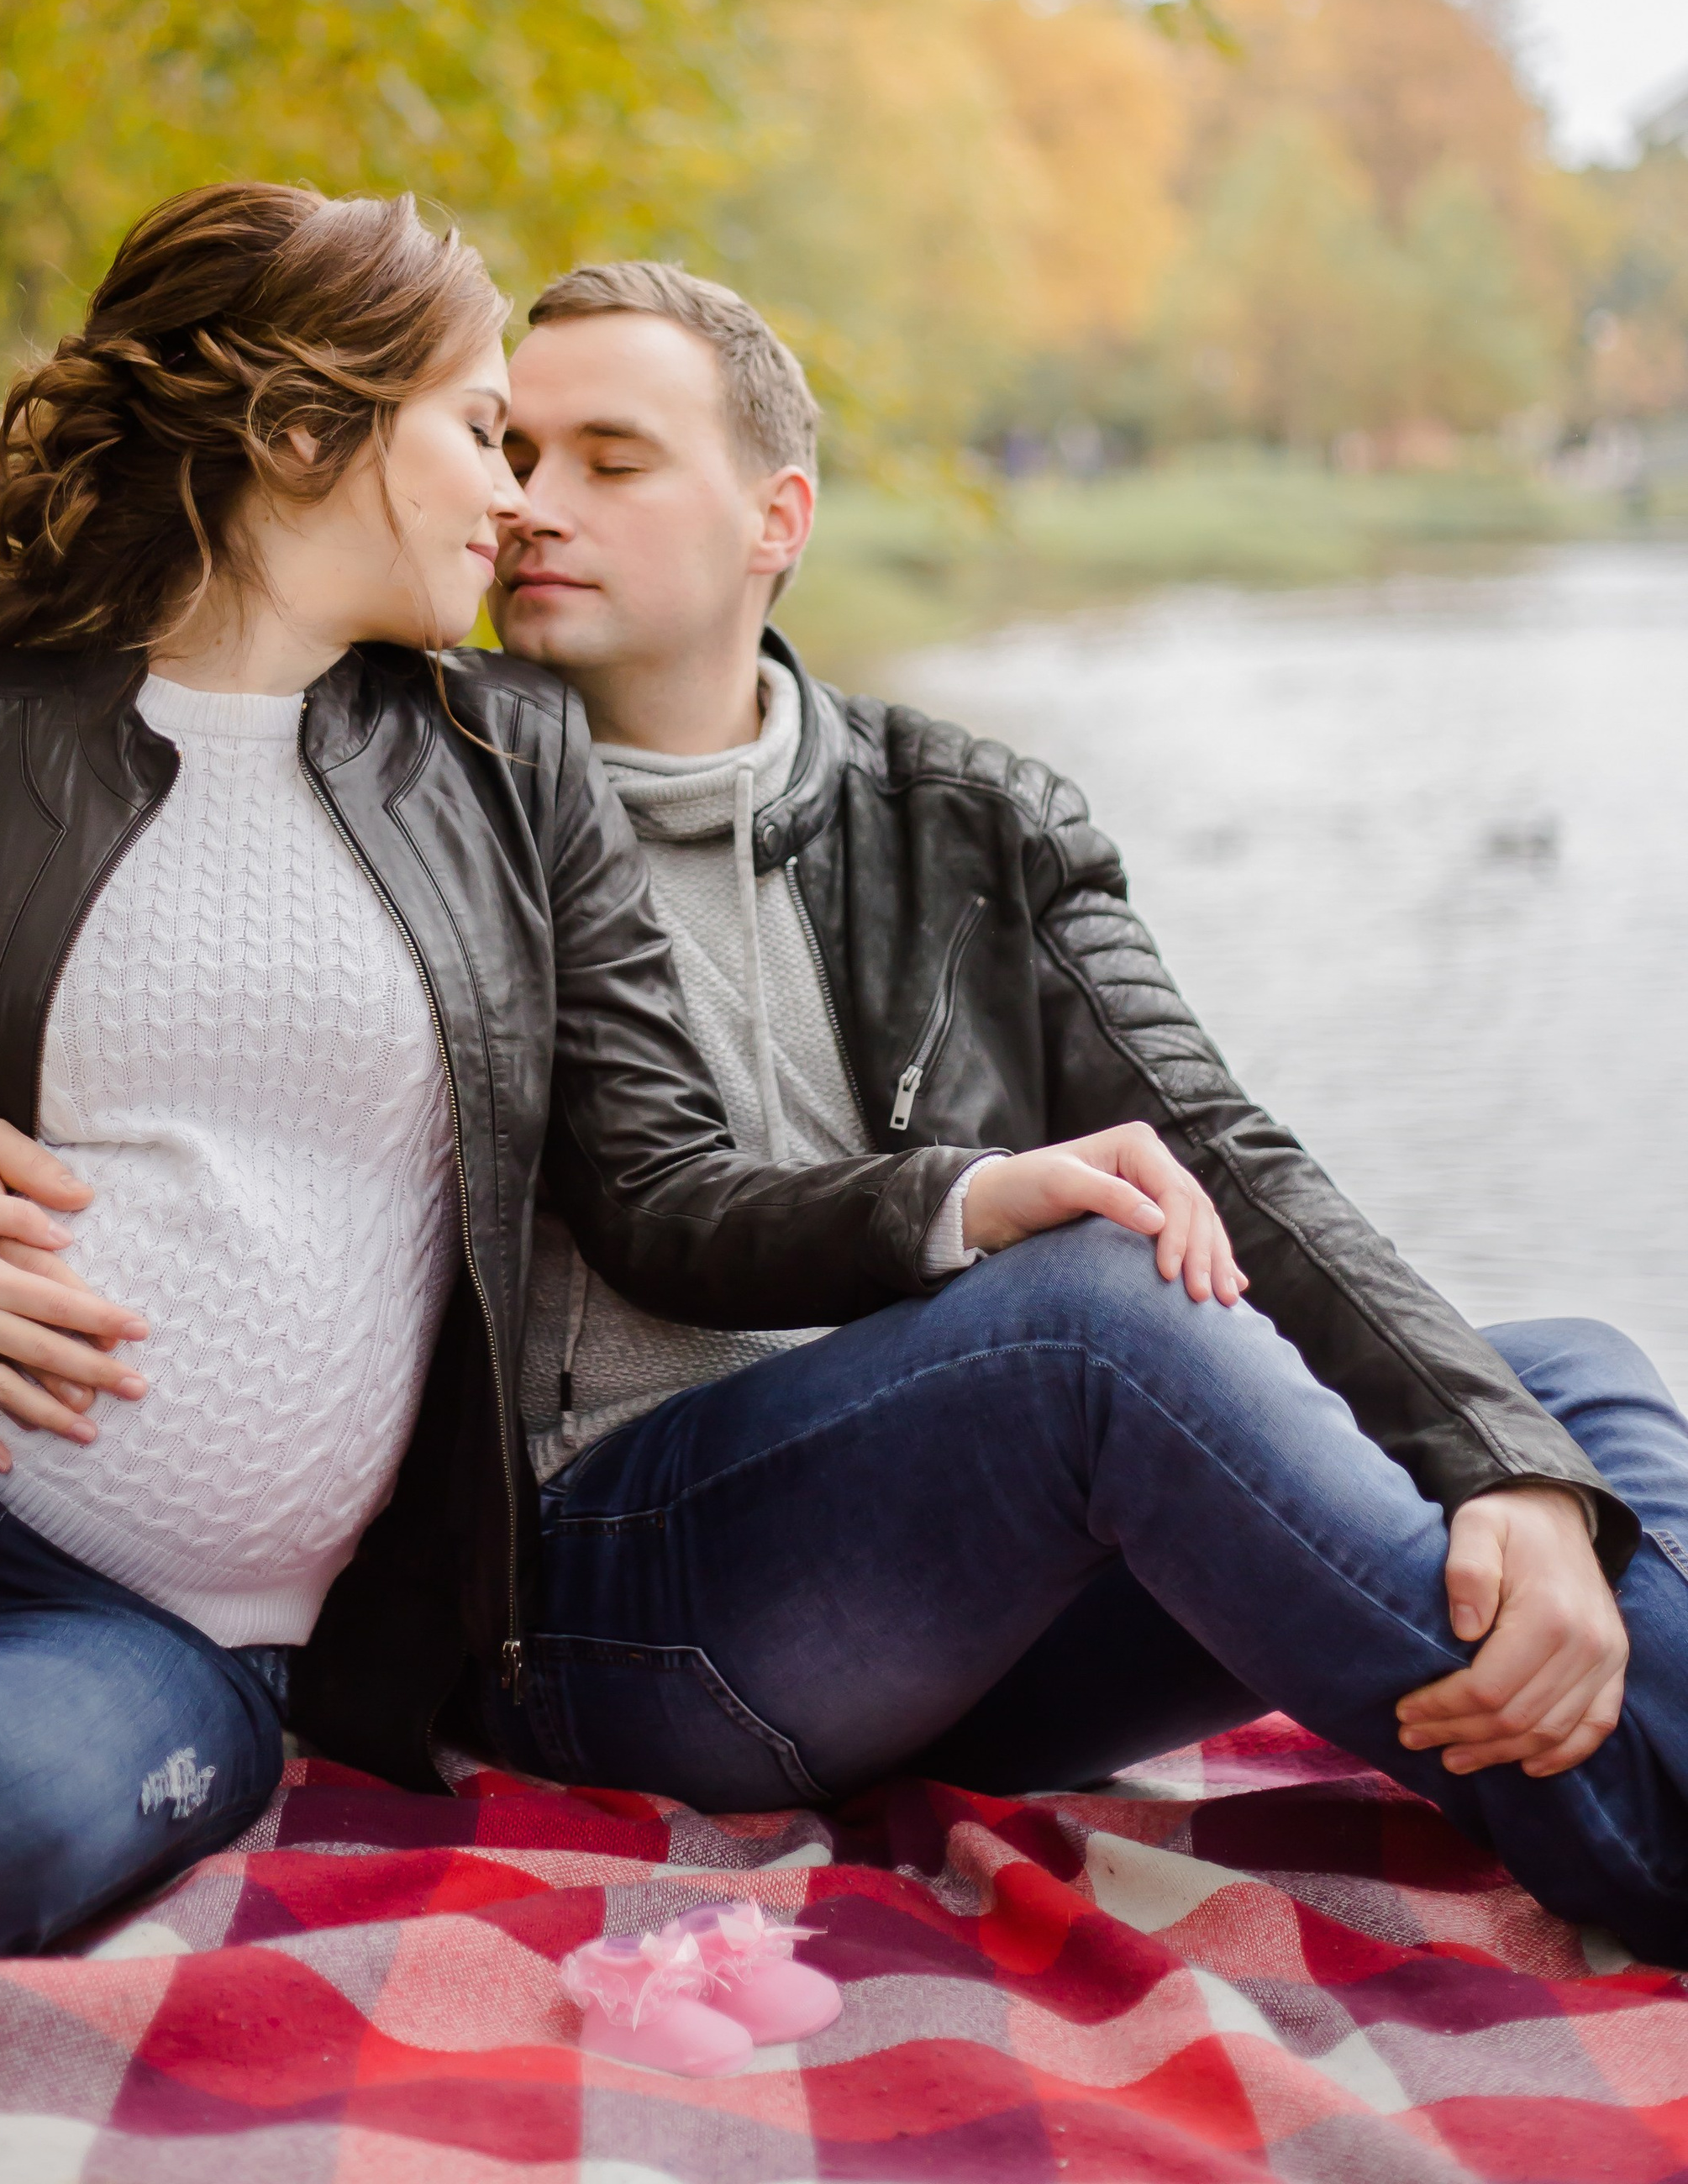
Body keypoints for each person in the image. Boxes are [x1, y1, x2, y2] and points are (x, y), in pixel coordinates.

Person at [0, 186, 994, 1963]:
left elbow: (659, 1190)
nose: (516, 499)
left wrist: (965, 1201)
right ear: (303, 434)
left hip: (180, 1630)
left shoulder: (506, 761)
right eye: (477, 430)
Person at [481, 259, 1688, 1970]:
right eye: (508, 452)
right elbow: (666, 1205)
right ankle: (1644, 1844)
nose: (529, 505)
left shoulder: (965, 816)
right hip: (613, 1610)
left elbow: (1218, 1149)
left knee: (1562, 1387)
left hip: (947, 1617)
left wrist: (1502, 1474)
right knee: (1087, 1320)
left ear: (776, 518)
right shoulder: (436, 789)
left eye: (607, 458)